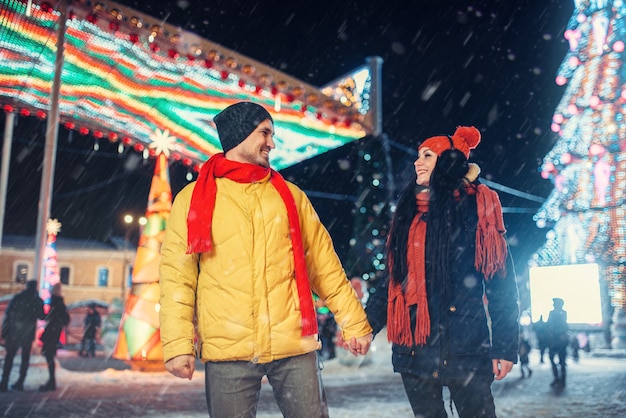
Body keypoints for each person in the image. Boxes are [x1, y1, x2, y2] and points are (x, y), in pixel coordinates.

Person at [159, 101, 373, 418]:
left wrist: (355, 323)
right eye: (265, 133)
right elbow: (178, 278)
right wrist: (177, 345)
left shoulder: (291, 196)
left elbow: (324, 267)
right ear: (240, 135)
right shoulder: (193, 199)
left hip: (294, 344)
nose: (271, 143)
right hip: (227, 347)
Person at [365, 126, 520, 418]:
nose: (417, 162)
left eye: (427, 155)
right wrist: (366, 327)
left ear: (448, 161)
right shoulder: (408, 212)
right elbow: (392, 281)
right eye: (418, 155)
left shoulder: (478, 209)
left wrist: (505, 346)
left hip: (466, 349)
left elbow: (501, 284)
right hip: (414, 349)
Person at [0, 280, 45, 392]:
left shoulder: (18, 298)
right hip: (28, 332)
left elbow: (8, 314)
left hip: (14, 331)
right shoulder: (37, 300)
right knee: (25, 357)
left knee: (9, 357)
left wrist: (5, 331)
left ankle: (4, 382)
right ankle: (20, 382)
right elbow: (41, 316)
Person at [39, 283, 70, 392]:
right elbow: (64, 318)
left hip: (51, 333)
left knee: (49, 357)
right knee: (49, 356)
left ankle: (51, 381)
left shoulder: (55, 302)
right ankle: (51, 381)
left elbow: (51, 317)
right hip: (53, 333)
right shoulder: (59, 302)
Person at [547, 297, 568, 387]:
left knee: (562, 361)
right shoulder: (552, 313)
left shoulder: (563, 313)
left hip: (560, 340)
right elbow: (549, 326)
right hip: (553, 340)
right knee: (552, 359)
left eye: (555, 303)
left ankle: (562, 380)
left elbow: (563, 325)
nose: (553, 305)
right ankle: (556, 378)